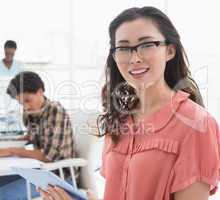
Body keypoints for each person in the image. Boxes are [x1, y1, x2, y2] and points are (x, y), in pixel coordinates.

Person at [40, 6, 220, 200]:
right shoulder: (118, 119)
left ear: (169, 51)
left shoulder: (196, 124)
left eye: (147, 44)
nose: (134, 58)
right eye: (124, 48)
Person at [0, 71, 77, 200]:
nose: (25, 106)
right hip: (39, 171)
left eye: (28, 100)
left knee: (4, 195)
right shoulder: (32, 112)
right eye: (21, 103)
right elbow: (31, 137)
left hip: (60, 176)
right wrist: (8, 143)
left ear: (40, 92)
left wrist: (12, 150)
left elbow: (47, 156)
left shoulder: (55, 111)